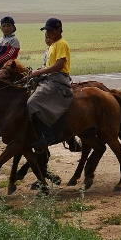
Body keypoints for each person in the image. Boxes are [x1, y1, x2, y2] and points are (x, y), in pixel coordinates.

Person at [27, 18, 73, 149]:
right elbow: (49, 65)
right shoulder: (53, 45)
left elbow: (59, 65)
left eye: (50, 30)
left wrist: (38, 73)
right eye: (46, 30)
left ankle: (47, 135)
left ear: (59, 30)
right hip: (50, 76)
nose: (48, 33)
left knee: (31, 104)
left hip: (57, 78)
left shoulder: (61, 44)